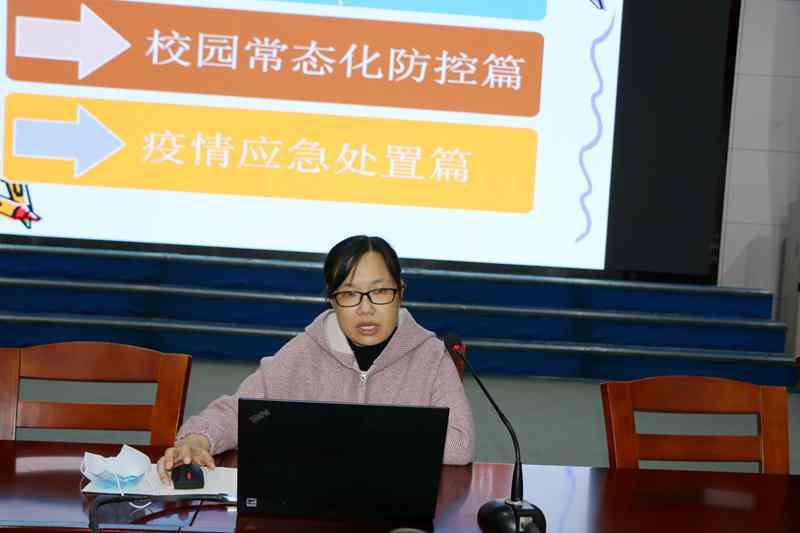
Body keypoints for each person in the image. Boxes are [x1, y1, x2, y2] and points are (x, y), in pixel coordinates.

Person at [157, 235, 475, 482]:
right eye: (349, 294)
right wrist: (197, 440)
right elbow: (241, 412)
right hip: (316, 500)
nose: (366, 309)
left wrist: (356, 436)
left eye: (380, 292)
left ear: (400, 293)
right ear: (331, 301)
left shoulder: (431, 354)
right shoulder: (305, 350)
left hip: (401, 503)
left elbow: (460, 445)